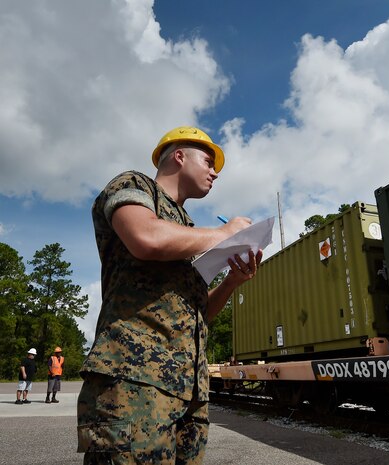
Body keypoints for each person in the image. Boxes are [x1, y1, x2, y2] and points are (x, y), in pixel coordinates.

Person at [77, 126, 262, 465]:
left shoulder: (188, 229)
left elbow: (197, 315)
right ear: (179, 155)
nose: (215, 172)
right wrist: (223, 233)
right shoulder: (133, 184)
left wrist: (232, 282)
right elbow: (145, 237)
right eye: (208, 161)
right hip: (133, 381)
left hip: (188, 391)